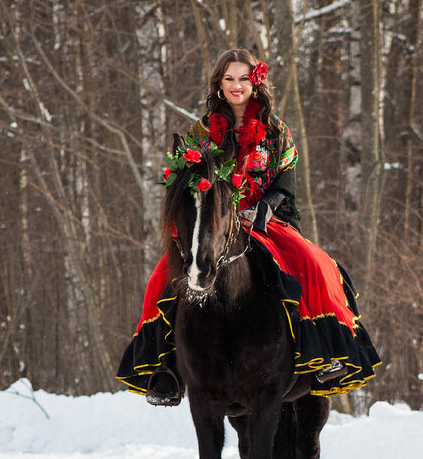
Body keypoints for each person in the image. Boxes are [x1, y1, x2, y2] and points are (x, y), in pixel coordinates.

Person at [117, 48, 380, 405]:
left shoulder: (275, 130)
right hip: (214, 224)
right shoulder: (202, 131)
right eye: (229, 79)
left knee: (314, 262)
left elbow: (286, 178)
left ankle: (323, 354)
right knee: (160, 278)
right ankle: (163, 370)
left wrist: (266, 207)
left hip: (265, 221)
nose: (236, 86)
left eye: (243, 78)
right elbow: (187, 180)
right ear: (219, 84)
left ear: (255, 82)